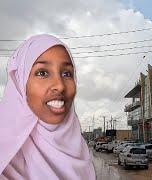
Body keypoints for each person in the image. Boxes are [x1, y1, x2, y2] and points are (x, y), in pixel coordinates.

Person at [0, 34, 95, 179]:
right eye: (42, 73)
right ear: (20, 84)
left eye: (66, 73)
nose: (60, 86)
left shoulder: (85, 156)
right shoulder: (6, 164)